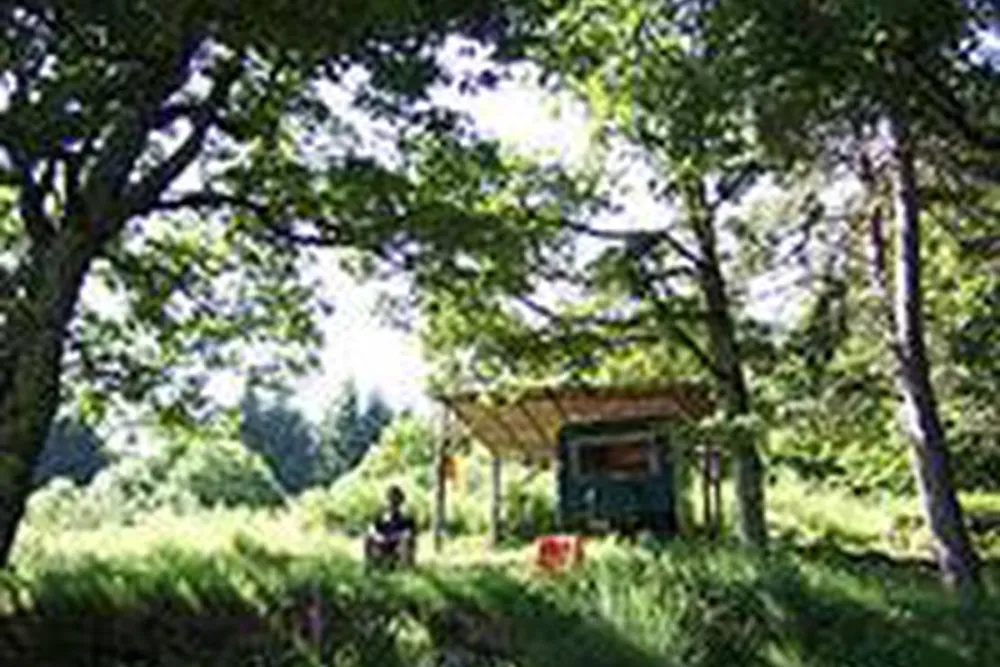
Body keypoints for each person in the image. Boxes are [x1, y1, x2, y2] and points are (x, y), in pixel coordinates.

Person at [364, 485, 417, 567]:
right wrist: (377, 535)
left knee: (405, 540)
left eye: (395, 498)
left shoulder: (406, 516)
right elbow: (372, 526)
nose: (392, 501)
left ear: (400, 500)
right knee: (368, 537)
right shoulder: (380, 513)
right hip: (382, 542)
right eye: (390, 498)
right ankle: (369, 565)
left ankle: (404, 567)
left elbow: (409, 532)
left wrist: (394, 537)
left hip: (397, 543)